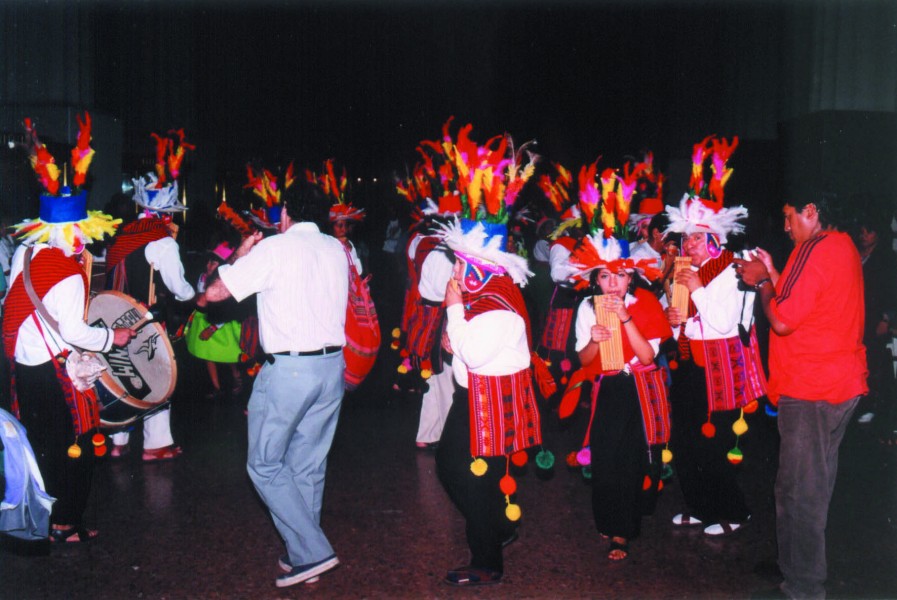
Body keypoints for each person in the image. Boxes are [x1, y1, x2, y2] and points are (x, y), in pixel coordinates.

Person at [198, 177, 349, 588]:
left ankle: (314, 551)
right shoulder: (336, 248)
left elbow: (213, 293)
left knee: (264, 463)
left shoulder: (276, 248)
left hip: (290, 371)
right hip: (332, 367)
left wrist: (241, 253)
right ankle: (304, 554)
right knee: (308, 465)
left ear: (285, 213)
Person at [3, 114, 133, 543]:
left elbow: (12, 304)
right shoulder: (69, 271)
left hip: (23, 367)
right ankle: (66, 523)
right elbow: (76, 329)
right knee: (79, 445)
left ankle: (48, 516)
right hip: (56, 372)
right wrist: (113, 337)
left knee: (41, 444)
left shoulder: (26, 252)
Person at [736, 192, 867, 600]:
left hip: (812, 388)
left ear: (811, 212)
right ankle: (798, 576)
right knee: (809, 487)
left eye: (790, 217)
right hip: (836, 383)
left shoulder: (815, 250)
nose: (786, 226)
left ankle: (803, 589)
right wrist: (774, 273)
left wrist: (759, 281)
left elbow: (781, 319)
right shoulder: (837, 245)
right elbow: (802, 302)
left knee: (799, 492)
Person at [431, 122, 543, 587]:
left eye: (460, 262)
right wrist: (453, 331)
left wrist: (454, 312)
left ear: (478, 265)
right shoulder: (486, 293)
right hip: (476, 396)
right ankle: (497, 528)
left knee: (468, 474)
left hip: (490, 400)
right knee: (457, 469)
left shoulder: (498, 301)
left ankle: (488, 558)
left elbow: (475, 354)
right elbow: (463, 352)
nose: (455, 269)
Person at [663, 135, 767, 537]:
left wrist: (696, 291)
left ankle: (734, 512)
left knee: (713, 444)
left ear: (714, 241)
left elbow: (723, 324)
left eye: (696, 237)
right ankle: (699, 506)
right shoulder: (685, 270)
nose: (688, 243)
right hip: (690, 365)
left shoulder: (732, 272)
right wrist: (674, 317)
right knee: (685, 440)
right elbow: (679, 324)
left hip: (720, 368)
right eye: (686, 236)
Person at [565, 232, 672, 561]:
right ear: (595, 279)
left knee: (632, 458)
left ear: (632, 278)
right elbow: (584, 360)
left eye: (620, 275)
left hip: (640, 387)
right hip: (608, 387)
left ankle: (622, 531)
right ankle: (608, 519)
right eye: (605, 275)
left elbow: (647, 357)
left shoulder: (648, 304)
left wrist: (625, 317)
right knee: (605, 456)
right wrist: (595, 340)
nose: (613, 284)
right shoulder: (586, 307)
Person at [105, 131, 196, 462]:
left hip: (115, 317)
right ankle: (155, 445)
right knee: (157, 374)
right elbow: (178, 287)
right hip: (148, 320)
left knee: (120, 372)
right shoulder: (162, 241)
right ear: (167, 212)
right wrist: (195, 292)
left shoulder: (122, 235)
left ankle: (118, 442)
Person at [851, 213, 897, 435]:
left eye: (868, 232)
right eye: (861, 232)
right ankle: (859, 404)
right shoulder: (857, 255)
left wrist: (887, 318)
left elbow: (892, 291)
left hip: (877, 320)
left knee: (876, 365)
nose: (863, 235)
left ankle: (874, 407)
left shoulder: (887, 259)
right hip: (857, 318)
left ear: (877, 234)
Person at [184, 242, 243, 399]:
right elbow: (201, 297)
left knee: (230, 353)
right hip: (205, 318)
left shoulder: (226, 283)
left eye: (213, 262)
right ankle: (216, 387)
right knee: (208, 353)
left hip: (223, 323)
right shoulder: (203, 278)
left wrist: (213, 328)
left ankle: (237, 378)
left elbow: (229, 308)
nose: (208, 265)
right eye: (208, 261)